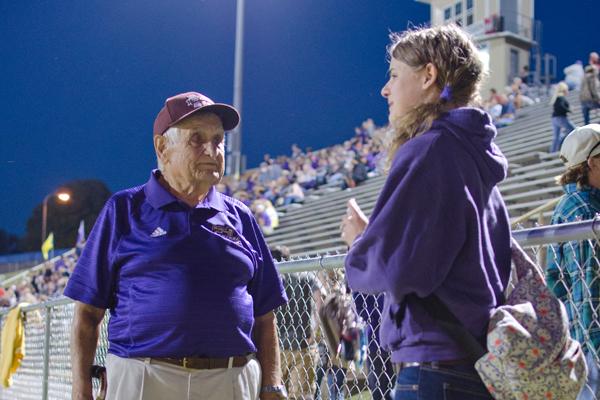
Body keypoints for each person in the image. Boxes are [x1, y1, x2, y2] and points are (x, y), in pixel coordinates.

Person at [65, 91, 289, 400]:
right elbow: (87, 314)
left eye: (219, 139)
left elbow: (265, 315)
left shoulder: (241, 216)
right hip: (145, 377)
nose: (213, 149)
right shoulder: (123, 209)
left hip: (232, 379)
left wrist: (272, 384)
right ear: (162, 147)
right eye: (196, 139)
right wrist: (81, 390)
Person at [339, 24, 511, 399]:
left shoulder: (429, 150)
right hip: (475, 360)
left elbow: (400, 269)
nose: (386, 89)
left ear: (428, 76)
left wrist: (360, 245)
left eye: (395, 75)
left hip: (434, 369)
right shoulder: (473, 155)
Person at [546, 124, 600, 400]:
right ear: (591, 162)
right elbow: (587, 287)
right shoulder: (584, 210)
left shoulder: (576, 205)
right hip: (593, 347)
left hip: (582, 344)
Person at [272, 245, 323, 400]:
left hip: (278, 346)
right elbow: (321, 300)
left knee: (276, 392)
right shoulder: (305, 275)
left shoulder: (272, 280)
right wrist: (317, 333)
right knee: (302, 394)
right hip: (303, 343)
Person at [550, 82, 576, 153]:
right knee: (575, 130)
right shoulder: (561, 97)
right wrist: (569, 110)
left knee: (557, 137)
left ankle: (553, 152)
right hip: (560, 118)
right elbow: (561, 107)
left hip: (554, 119)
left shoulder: (556, 97)